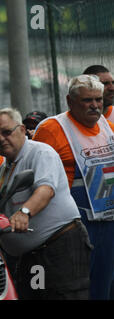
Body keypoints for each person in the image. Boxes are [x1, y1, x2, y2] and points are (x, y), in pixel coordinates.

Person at [0, 107, 91, 300]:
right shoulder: (5, 168)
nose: (1, 139)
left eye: (6, 132)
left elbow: (46, 190)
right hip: (32, 256)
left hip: (59, 248)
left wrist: (24, 212)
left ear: (22, 129)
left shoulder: (40, 152)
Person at [33, 74, 114, 300]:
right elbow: (36, 175)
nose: (95, 106)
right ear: (70, 101)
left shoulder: (107, 127)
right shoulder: (51, 129)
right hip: (72, 223)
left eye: (98, 100)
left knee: (104, 284)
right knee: (75, 286)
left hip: (107, 220)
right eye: (87, 100)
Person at [0, 110, 48, 181]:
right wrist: (0, 144)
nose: (30, 131)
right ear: (22, 129)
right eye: (28, 127)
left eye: (35, 128)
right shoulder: (9, 152)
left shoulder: (43, 152)